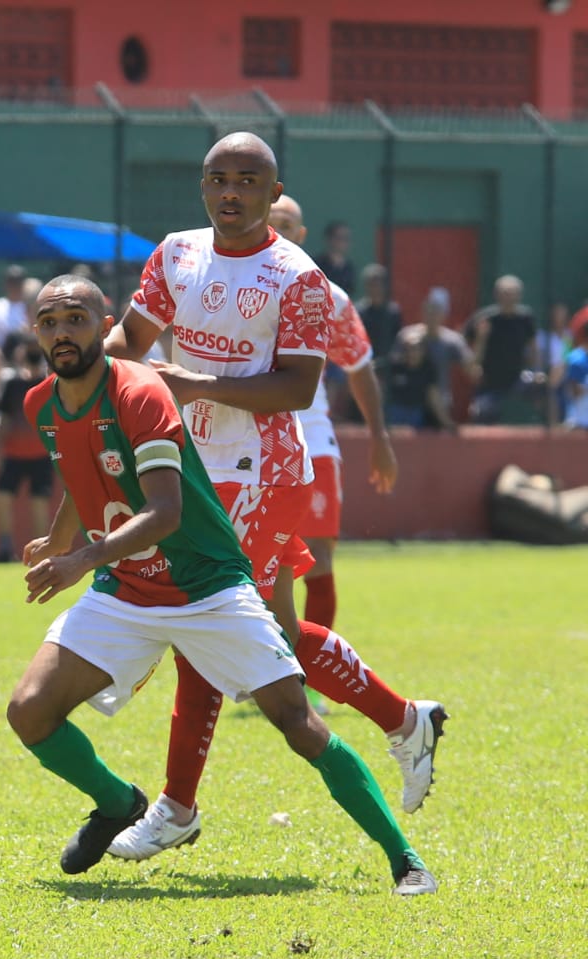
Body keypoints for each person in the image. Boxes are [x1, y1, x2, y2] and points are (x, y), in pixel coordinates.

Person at [7, 274, 435, 896]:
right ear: (35, 332)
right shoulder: (41, 403)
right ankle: (118, 802)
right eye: (49, 321)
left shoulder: (141, 393)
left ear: (105, 327)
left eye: (75, 318)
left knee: (295, 719)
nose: (61, 332)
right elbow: (84, 470)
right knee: (29, 712)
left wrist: (79, 558)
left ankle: (405, 858)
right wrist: (59, 538)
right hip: (125, 589)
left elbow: (165, 513)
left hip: (206, 586)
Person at [102, 133, 445, 861]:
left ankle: (176, 807)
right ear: (203, 187)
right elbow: (131, 340)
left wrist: (195, 384)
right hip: (188, 466)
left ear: (271, 190)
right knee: (275, 638)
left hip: (263, 471)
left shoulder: (299, 276)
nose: (232, 193)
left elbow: (298, 386)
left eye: (248, 181)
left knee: (206, 619)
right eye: (220, 179)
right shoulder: (175, 253)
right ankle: (405, 718)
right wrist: (83, 372)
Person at [266, 196, 398, 699]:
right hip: (240, 441)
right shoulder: (224, 283)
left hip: (310, 438)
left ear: (300, 236)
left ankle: (306, 675)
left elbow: (359, 365)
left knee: (317, 557)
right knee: (250, 563)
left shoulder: (328, 296)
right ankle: (262, 668)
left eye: (285, 224)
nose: (274, 229)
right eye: (268, 220)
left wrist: (379, 440)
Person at [0, 332, 53, 563]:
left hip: (41, 453)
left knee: (39, 503)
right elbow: (4, 418)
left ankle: (40, 551)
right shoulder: (13, 383)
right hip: (14, 453)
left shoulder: (48, 383)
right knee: (2, 497)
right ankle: (5, 548)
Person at [385, 288, 472, 430]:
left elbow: (471, 370)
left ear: (444, 314)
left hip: (439, 400)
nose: (431, 315)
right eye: (429, 310)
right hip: (408, 398)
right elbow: (394, 367)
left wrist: (481, 339)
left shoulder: (453, 341)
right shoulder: (407, 337)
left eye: (436, 311)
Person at [466, 275, 540, 424]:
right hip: (490, 383)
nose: (509, 299)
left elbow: (533, 349)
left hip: (518, 380)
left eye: (513, 294)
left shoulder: (525, 319)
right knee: (480, 412)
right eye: (505, 294)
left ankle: (555, 432)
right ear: (497, 295)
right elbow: (469, 356)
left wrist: (536, 371)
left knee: (545, 388)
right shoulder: (484, 319)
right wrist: (481, 339)